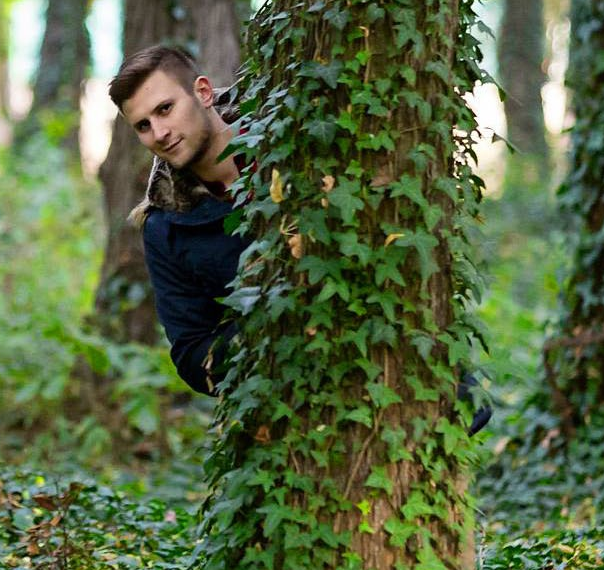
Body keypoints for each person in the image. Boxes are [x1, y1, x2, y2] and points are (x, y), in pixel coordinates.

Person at [108, 44, 490, 429]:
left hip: (415, 380)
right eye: (143, 125)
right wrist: (278, 331)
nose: (159, 133)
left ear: (203, 92)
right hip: (302, 420)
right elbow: (192, 352)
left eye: (165, 109)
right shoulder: (165, 224)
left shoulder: (290, 129)